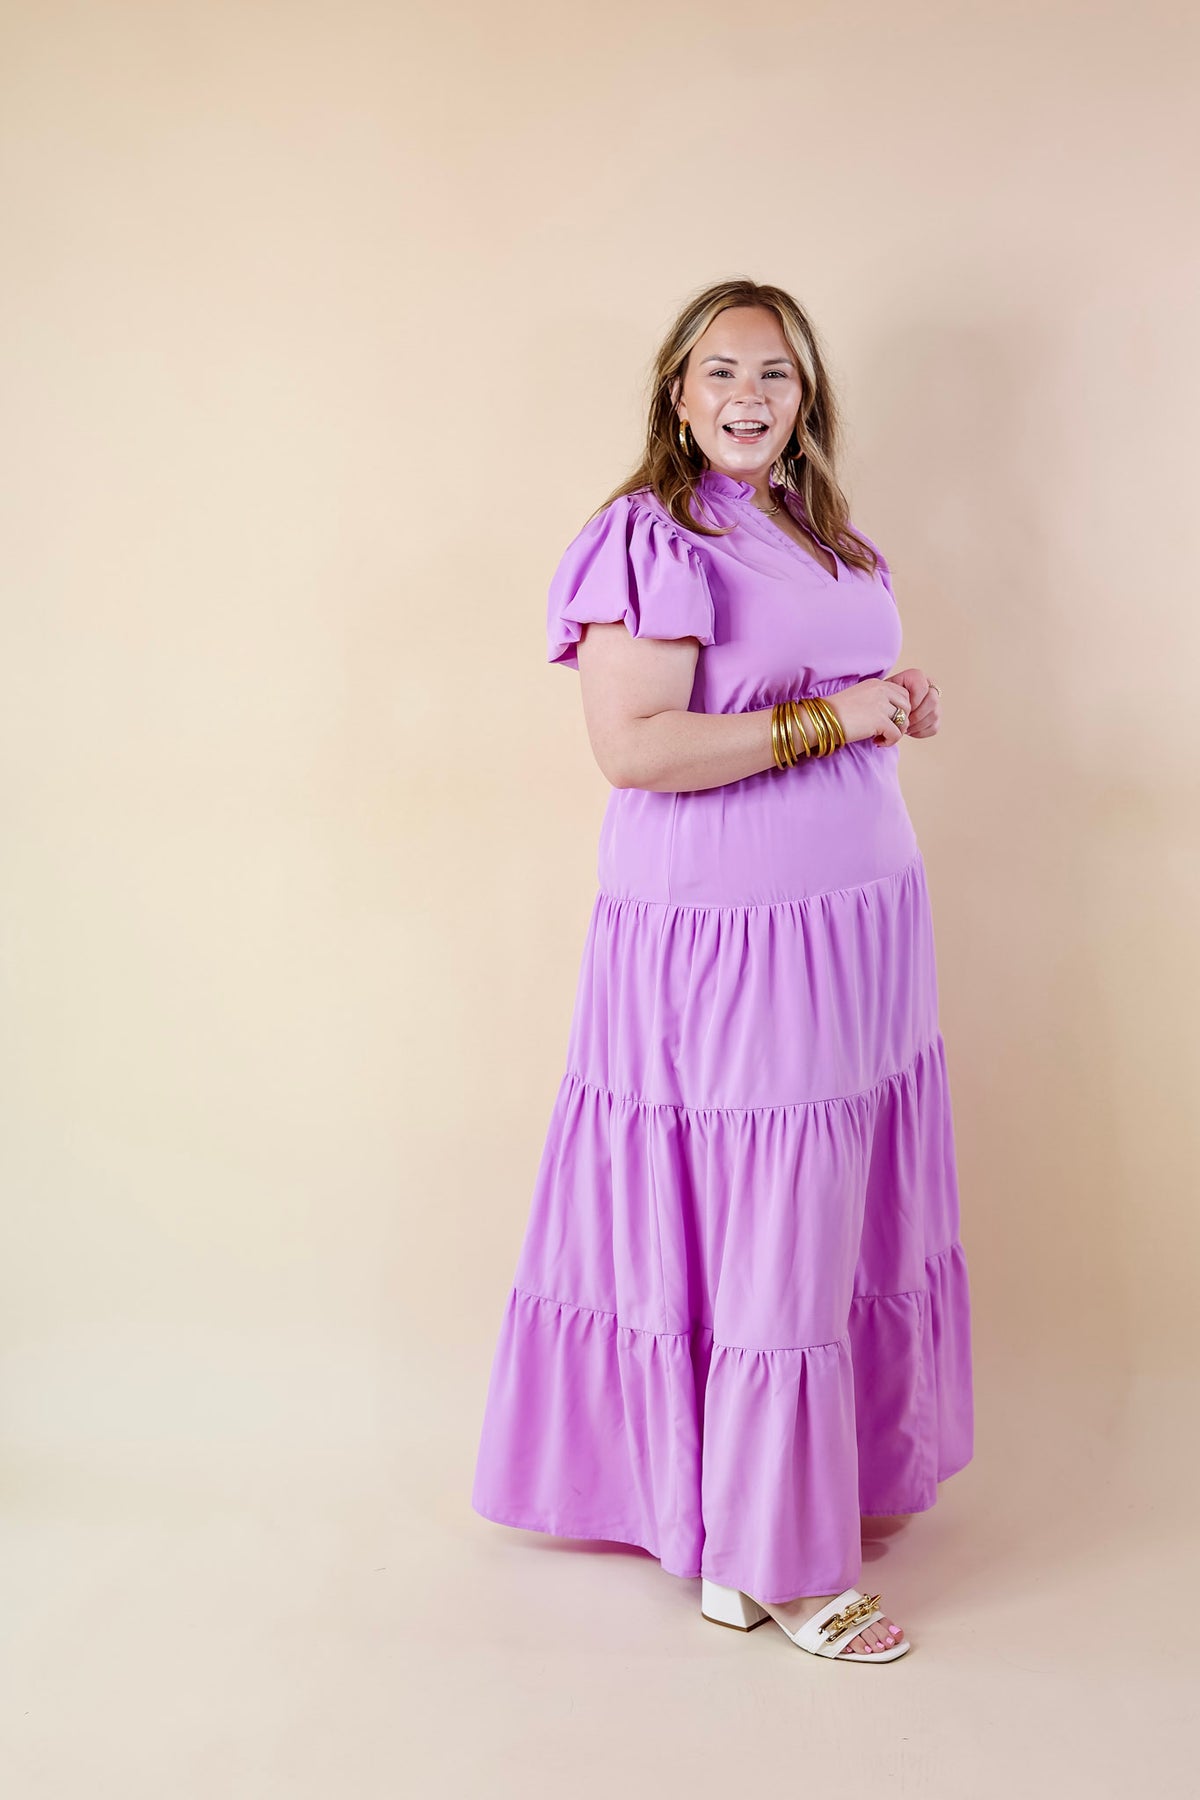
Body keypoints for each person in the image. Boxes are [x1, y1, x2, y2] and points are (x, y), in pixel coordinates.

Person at [471, 278, 974, 1663]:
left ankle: (763, 1525)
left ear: (807, 397)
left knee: (820, 1219)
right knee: (775, 1217)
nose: (750, 397)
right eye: (722, 372)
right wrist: (835, 719)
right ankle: (775, 1561)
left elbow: (820, 688)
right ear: (677, 394)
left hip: (855, 924)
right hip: (738, 931)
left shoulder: (821, 532)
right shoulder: (652, 535)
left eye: (777, 374)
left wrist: (891, 701)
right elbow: (637, 749)